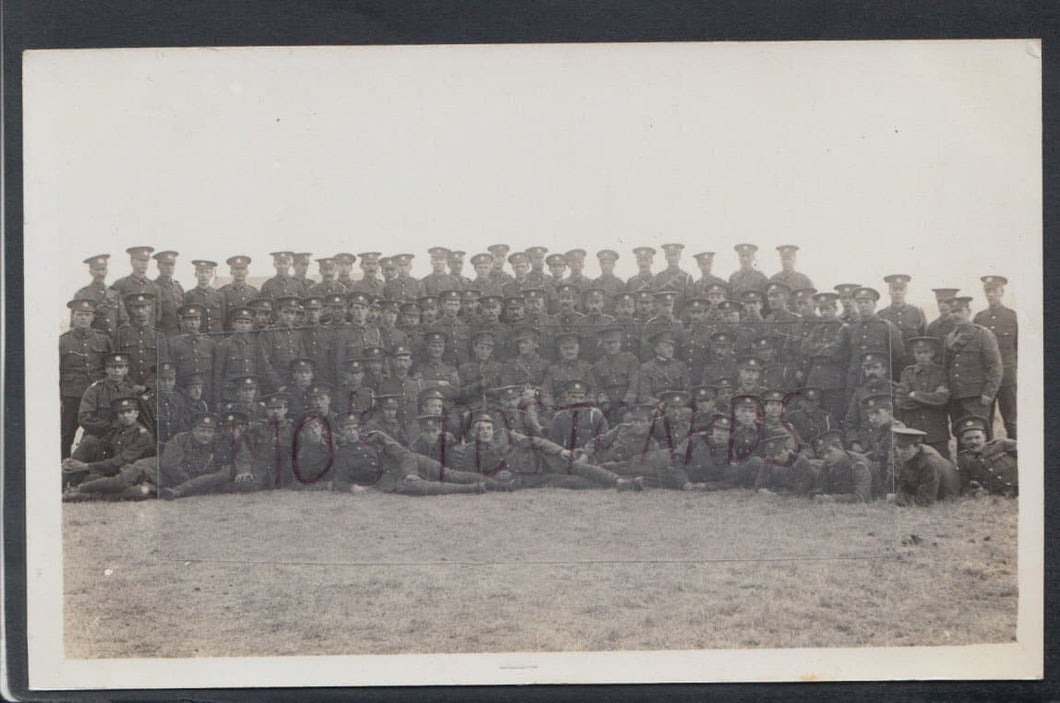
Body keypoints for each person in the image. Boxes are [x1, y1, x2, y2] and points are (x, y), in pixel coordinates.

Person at [62, 396, 157, 501]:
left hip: (128, 476)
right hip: (111, 472)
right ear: (117, 416)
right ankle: (63, 480)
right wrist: (75, 463)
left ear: (136, 414)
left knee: (133, 490)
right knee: (90, 440)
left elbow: (119, 462)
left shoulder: (143, 436)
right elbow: (103, 450)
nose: (125, 416)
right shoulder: (115, 430)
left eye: (129, 411)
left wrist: (86, 466)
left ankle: (81, 492)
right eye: (121, 413)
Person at [59, 298, 114, 457]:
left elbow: (111, 365)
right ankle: (64, 467)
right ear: (73, 316)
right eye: (79, 314)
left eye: (87, 314)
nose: (83, 318)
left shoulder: (103, 339)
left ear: (93, 317)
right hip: (72, 394)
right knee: (67, 432)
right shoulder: (63, 341)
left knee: (101, 430)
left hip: (98, 394)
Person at [943, 296, 1003, 436]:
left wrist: (988, 394)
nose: (955, 315)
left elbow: (995, 367)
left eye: (959, 311)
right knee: (961, 435)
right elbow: (946, 368)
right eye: (952, 312)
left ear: (968, 311)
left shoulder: (983, 334)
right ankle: (963, 459)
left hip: (977, 397)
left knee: (980, 435)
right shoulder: (950, 338)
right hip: (956, 397)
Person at [974, 275, 1017, 439]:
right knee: (985, 421)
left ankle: (1015, 456)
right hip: (986, 379)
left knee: (1011, 421)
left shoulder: (1012, 317)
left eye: (994, 291)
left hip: (1007, 378)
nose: (991, 294)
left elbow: (1018, 348)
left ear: (1002, 292)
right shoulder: (980, 318)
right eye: (987, 291)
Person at [895, 336, 951, 459]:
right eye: (918, 353)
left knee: (942, 463)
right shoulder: (908, 373)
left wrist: (915, 395)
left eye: (925, 352)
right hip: (914, 428)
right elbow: (900, 400)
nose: (921, 356)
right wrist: (930, 400)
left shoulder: (940, 372)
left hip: (936, 430)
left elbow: (942, 399)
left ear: (932, 353)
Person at [158, 412, 232, 499]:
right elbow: (170, 466)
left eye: (210, 432)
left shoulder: (216, 443)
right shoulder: (180, 440)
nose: (205, 435)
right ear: (193, 430)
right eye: (202, 431)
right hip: (165, 477)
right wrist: (193, 484)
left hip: (190, 482)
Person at [77, 352, 143, 439]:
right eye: (113, 367)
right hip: (99, 435)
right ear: (106, 369)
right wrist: (110, 426)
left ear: (126, 369)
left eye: (120, 367)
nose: (117, 370)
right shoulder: (94, 390)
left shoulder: (130, 391)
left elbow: (138, 418)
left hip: (124, 437)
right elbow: (84, 418)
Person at [892, 426, 960, 507]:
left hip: (945, 496)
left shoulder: (930, 463)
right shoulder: (910, 456)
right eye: (898, 447)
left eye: (905, 448)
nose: (900, 452)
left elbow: (924, 501)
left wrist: (897, 498)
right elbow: (904, 485)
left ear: (917, 447)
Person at [953, 415, 1017, 497]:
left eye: (977, 437)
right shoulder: (964, 460)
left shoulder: (1002, 444)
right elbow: (966, 486)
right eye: (968, 439)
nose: (974, 442)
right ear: (962, 440)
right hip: (1000, 495)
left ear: (984, 436)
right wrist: (977, 492)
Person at [878, 274, 927, 369]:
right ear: (889, 291)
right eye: (894, 289)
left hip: (913, 364)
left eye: (901, 289)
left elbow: (923, 338)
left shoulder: (917, 312)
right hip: (891, 365)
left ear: (906, 291)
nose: (898, 293)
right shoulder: (881, 315)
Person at [810, 429, 872, 503]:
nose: (825, 457)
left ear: (840, 448)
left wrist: (832, 499)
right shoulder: (827, 465)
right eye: (822, 454)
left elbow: (861, 498)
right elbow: (818, 490)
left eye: (829, 451)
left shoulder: (858, 465)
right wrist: (817, 496)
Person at [114, 292, 159, 388]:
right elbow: (116, 363)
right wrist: (132, 385)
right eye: (137, 307)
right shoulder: (122, 333)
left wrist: (148, 385)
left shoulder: (158, 335)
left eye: (144, 307)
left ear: (150, 308)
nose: (141, 311)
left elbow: (161, 365)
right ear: (131, 309)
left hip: (152, 389)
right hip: (126, 387)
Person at [110, 245, 163, 327]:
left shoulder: (155, 287)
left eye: (146, 261)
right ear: (132, 261)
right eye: (141, 260)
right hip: (128, 334)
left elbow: (158, 316)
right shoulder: (120, 284)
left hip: (150, 334)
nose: (144, 264)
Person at [183, 260, 226, 333]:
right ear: (196, 274)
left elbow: (224, 319)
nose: (204, 275)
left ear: (211, 274)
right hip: (199, 338)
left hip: (217, 337)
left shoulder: (219, 295)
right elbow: (186, 320)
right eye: (201, 272)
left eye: (207, 272)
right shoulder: (189, 295)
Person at [218, 255, 260, 328]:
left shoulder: (254, 292)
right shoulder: (222, 292)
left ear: (247, 271)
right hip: (229, 334)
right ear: (231, 271)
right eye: (236, 269)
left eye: (242, 269)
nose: (239, 272)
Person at [151, 250, 184, 335]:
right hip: (163, 335)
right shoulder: (153, 287)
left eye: (171, 265)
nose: (169, 268)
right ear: (158, 266)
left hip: (180, 334)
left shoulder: (178, 287)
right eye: (165, 265)